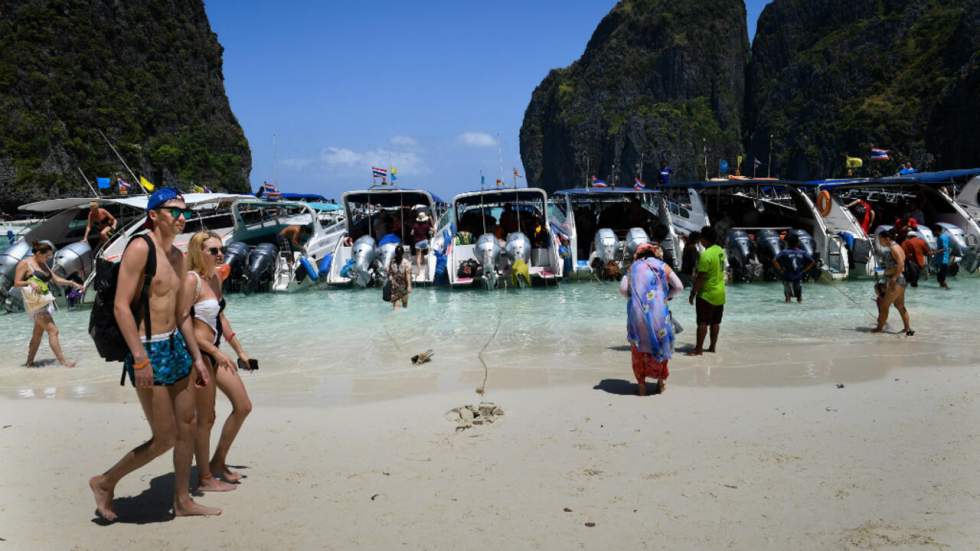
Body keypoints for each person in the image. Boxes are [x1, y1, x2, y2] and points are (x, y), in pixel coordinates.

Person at [89, 188, 218, 521]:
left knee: (187, 426)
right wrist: (139, 357)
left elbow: (181, 315)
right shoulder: (139, 248)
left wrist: (198, 358)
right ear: (154, 214)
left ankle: (183, 500)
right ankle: (105, 482)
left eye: (183, 211)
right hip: (147, 348)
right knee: (165, 437)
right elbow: (120, 306)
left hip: (176, 345)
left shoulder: (177, 256)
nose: (181, 217)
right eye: (174, 211)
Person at [184, 231, 254, 492]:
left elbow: (221, 319)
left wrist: (240, 350)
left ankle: (217, 461)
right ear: (197, 253)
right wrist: (214, 353)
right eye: (212, 250)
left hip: (216, 352)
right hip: (199, 357)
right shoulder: (191, 281)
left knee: (243, 406)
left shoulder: (215, 278)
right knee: (207, 418)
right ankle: (204, 477)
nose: (219, 253)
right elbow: (185, 326)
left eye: (220, 248)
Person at [618, 242, 683, 396]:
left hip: (637, 315)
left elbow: (622, 289)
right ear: (654, 253)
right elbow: (679, 286)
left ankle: (641, 387)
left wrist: (633, 296)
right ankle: (661, 384)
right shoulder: (662, 266)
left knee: (638, 350)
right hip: (659, 315)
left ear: (637, 254)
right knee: (661, 344)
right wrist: (665, 296)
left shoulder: (632, 268)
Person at [14, 240, 84, 367]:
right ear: (39, 253)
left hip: (44, 301)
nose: (49, 258)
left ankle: (29, 363)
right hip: (35, 303)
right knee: (53, 331)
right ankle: (63, 362)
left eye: (50, 256)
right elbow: (16, 283)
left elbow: (56, 279)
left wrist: (72, 283)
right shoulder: (25, 264)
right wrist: (29, 282)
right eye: (47, 256)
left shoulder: (43, 264)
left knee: (37, 334)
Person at [688, 226, 726, 356]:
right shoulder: (721, 251)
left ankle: (698, 350)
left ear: (704, 239)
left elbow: (700, 278)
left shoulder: (705, 255)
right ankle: (712, 347)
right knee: (716, 322)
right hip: (720, 293)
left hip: (707, 294)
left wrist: (693, 293)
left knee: (702, 322)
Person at [873, 230, 913, 336]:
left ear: (886, 238)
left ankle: (879, 329)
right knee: (899, 305)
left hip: (896, 280)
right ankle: (907, 329)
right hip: (901, 280)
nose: (879, 241)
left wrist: (893, 278)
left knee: (884, 305)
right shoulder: (898, 247)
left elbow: (901, 265)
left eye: (880, 239)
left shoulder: (893, 248)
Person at [772, 234, 817, 303]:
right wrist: (805, 270)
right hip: (798, 277)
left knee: (788, 298)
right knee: (799, 298)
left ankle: (788, 305)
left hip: (787, 276)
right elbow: (813, 262)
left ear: (787, 242)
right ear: (798, 243)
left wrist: (780, 269)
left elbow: (774, 260)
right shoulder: (802, 252)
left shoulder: (784, 252)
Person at [387, 245, 412, 309]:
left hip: (403, 287)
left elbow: (408, 275)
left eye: (399, 254)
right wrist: (390, 278)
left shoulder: (406, 263)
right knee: (396, 306)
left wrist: (409, 286)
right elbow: (389, 272)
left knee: (404, 305)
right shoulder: (392, 262)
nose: (398, 255)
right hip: (395, 287)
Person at [932, 224, 951, 290]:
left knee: (941, 278)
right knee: (939, 278)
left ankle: (947, 289)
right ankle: (941, 291)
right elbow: (941, 247)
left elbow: (945, 248)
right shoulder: (941, 237)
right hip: (939, 260)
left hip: (943, 260)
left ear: (937, 231)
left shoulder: (942, 237)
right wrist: (935, 250)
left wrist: (935, 252)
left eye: (933, 231)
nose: (933, 233)